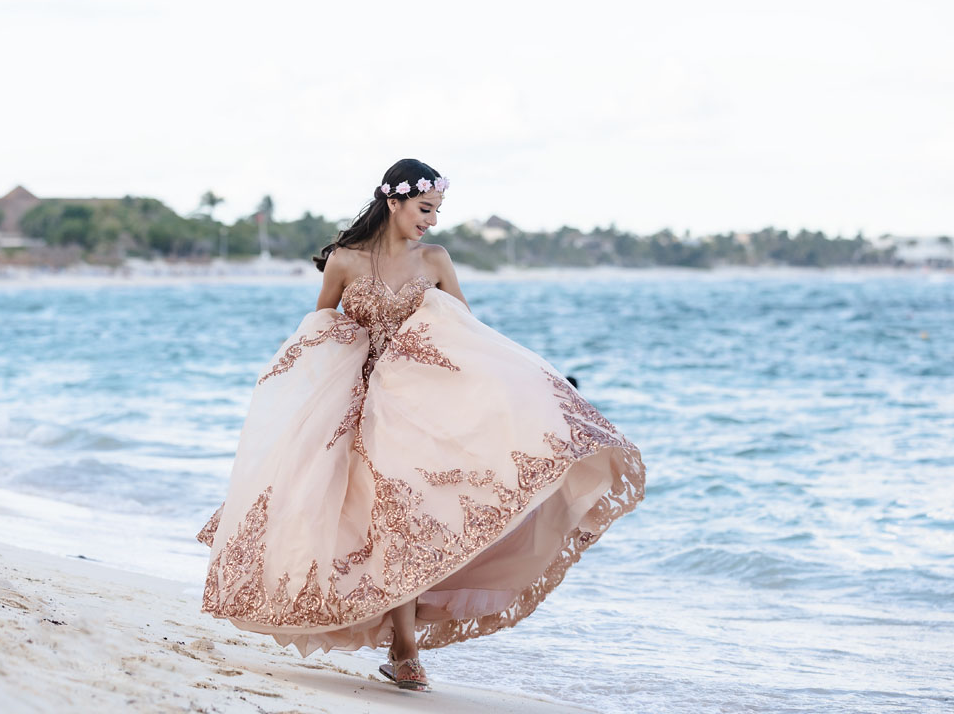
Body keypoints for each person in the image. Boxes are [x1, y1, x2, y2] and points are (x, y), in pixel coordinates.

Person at [198, 158, 646, 691]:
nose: (431, 221)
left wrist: (534, 389)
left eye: (436, 211)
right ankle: (400, 647)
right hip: (353, 400)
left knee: (406, 513)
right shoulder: (343, 262)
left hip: (415, 404)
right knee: (363, 520)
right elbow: (320, 327)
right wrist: (300, 388)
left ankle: (405, 648)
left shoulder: (434, 259)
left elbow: (467, 332)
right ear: (394, 202)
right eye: (425, 209)